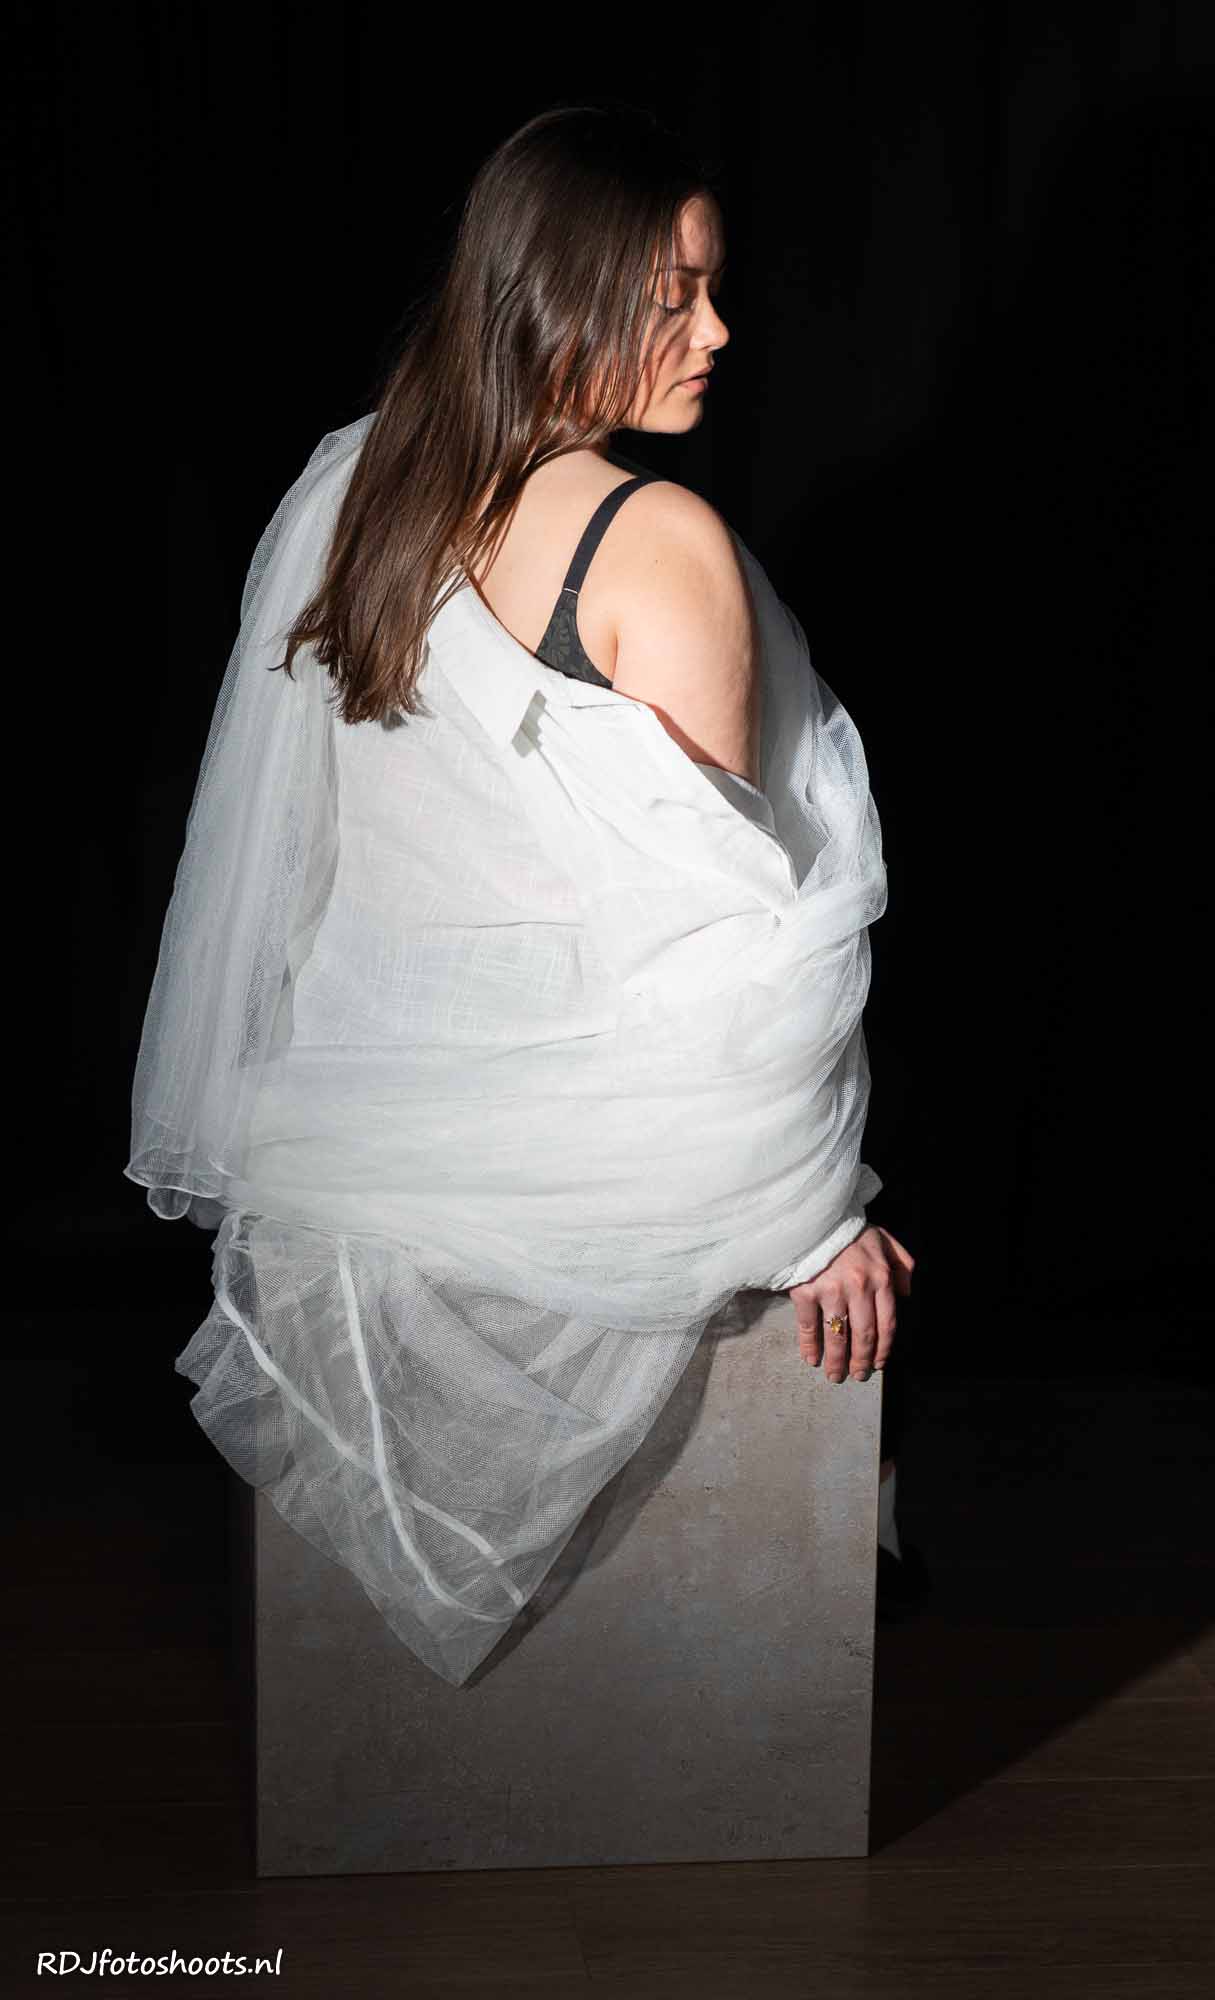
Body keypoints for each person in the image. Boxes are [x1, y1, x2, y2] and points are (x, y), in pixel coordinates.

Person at [126, 99, 916, 1684]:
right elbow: (732, 943)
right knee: (851, 1235)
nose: (716, 332)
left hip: (354, 1120)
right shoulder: (655, 539)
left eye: (711, 290)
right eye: (671, 296)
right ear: (554, 297)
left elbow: (321, 877)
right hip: (593, 1146)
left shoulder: (358, 493)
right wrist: (809, 1213)